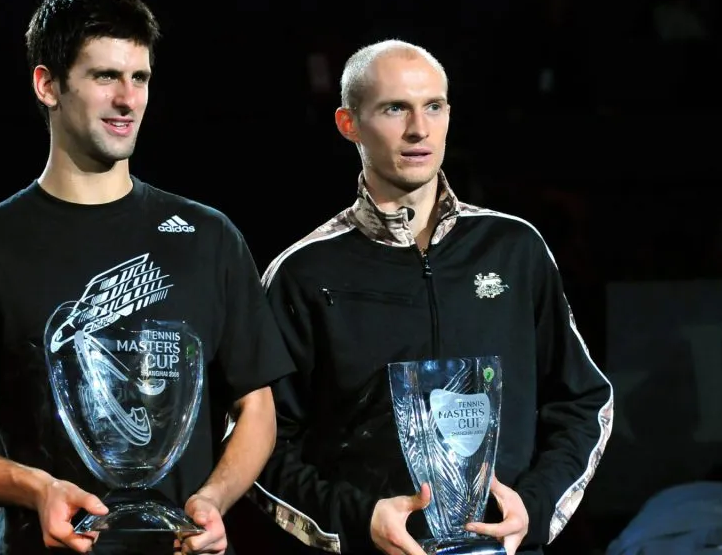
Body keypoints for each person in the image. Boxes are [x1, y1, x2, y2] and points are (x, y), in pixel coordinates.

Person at [0, 0, 294, 554]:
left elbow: (257, 407)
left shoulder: (209, 238)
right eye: (105, 77)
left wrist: (216, 498)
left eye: (141, 78)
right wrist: (35, 488)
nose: (128, 100)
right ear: (47, 84)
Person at [249, 40, 615, 555]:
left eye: (434, 106)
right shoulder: (304, 272)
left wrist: (534, 504)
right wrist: (359, 520)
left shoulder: (514, 249)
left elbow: (583, 399)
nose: (419, 129)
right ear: (348, 124)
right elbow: (259, 442)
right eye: (394, 108)